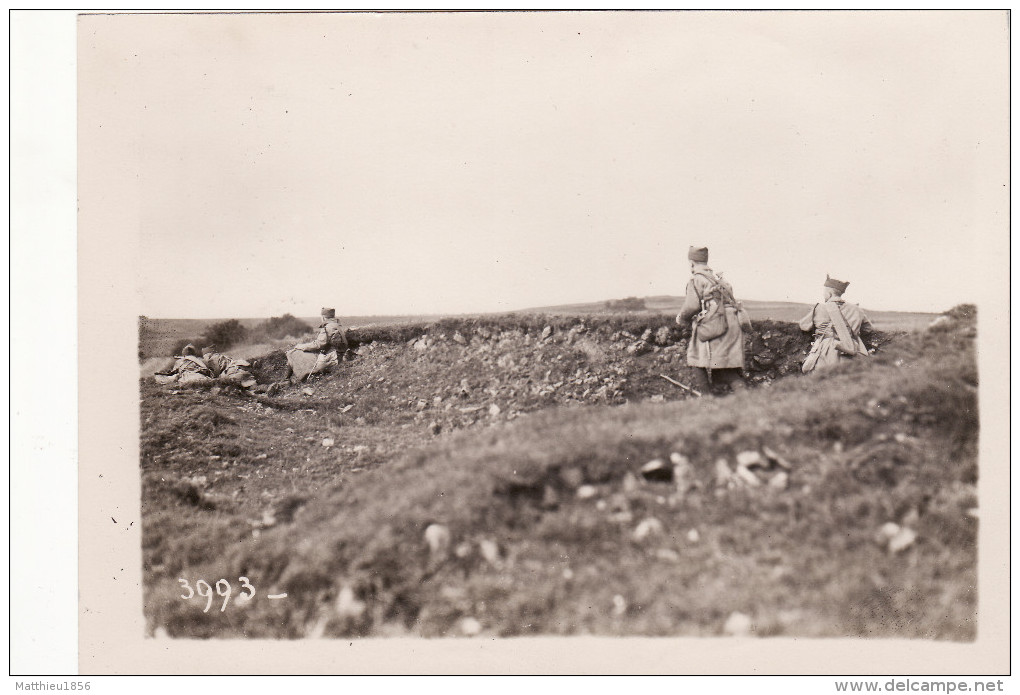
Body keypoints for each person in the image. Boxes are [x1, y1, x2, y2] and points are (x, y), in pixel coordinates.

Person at [676, 246, 750, 395]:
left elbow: (692, 306)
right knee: (722, 366)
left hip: (716, 323)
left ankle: (707, 401)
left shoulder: (697, 279)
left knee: (695, 358)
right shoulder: (718, 279)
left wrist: (681, 319)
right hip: (732, 322)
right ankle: (743, 400)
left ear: (691, 263)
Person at [799, 275, 872, 373]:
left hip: (825, 351)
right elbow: (867, 329)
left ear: (829, 293)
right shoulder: (857, 310)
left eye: (824, 292)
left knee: (820, 380)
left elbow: (804, 326)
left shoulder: (819, 308)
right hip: (850, 350)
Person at [282, 307, 349, 383]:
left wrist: (300, 346)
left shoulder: (327, 327)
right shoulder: (337, 325)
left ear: (323, 317)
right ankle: (289, 379)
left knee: (292, 352)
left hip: (333, 356)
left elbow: (318, 344)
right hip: (339, 354)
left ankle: (286, 380)